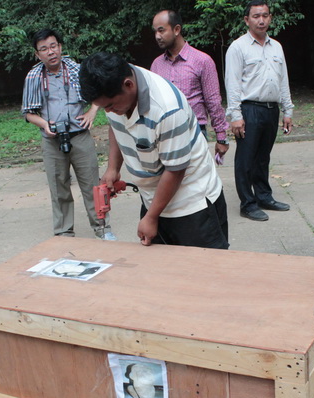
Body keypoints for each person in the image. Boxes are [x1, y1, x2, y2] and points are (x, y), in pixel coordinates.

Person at [79, 52, 229, 249]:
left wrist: (151, 217)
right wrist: (113, 168)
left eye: (110, 106)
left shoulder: (167, 109)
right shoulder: (117, 89)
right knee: (159, 265)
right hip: (154, 199)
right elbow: (117, 125)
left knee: (204, 265)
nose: (108, 111)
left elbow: (175, 170)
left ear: (128, 85)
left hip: (191, 203)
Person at [21, 29, 115, 240]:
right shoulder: (34, 77)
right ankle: (64, 233)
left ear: (60, 47)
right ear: (37, 54)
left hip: (80, 136)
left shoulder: (78, 70)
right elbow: (28, 113)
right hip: (52, 140)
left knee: (93, 186)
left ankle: (103, 229)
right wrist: (44, 124)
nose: (50, 52)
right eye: (44, 49)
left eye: (53, 46)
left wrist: (92, 111)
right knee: (59, 188)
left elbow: (98, 93)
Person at [224, 0, 293, 222]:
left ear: (270, 18)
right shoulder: (238, 47)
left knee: (263, 157)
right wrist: (236, 116)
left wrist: (287, 110)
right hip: (249, 109)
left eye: (265, 15)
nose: (261, 20)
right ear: (247, 20)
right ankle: (248, 203)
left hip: (271, 109)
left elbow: (283, 81)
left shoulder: (277, 47)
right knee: (246, 159)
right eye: (256, 16)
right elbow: (232, 84)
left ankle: (264, 197)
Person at [150, 9, 229, 160]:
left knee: (197, 174)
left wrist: (221, 137)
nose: (157, 36)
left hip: (194, 132)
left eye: (161, 30)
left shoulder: (202, 61)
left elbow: (213, 101)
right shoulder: (156, 65)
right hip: (164, 135)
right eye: (155, 31)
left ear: (176, 29)